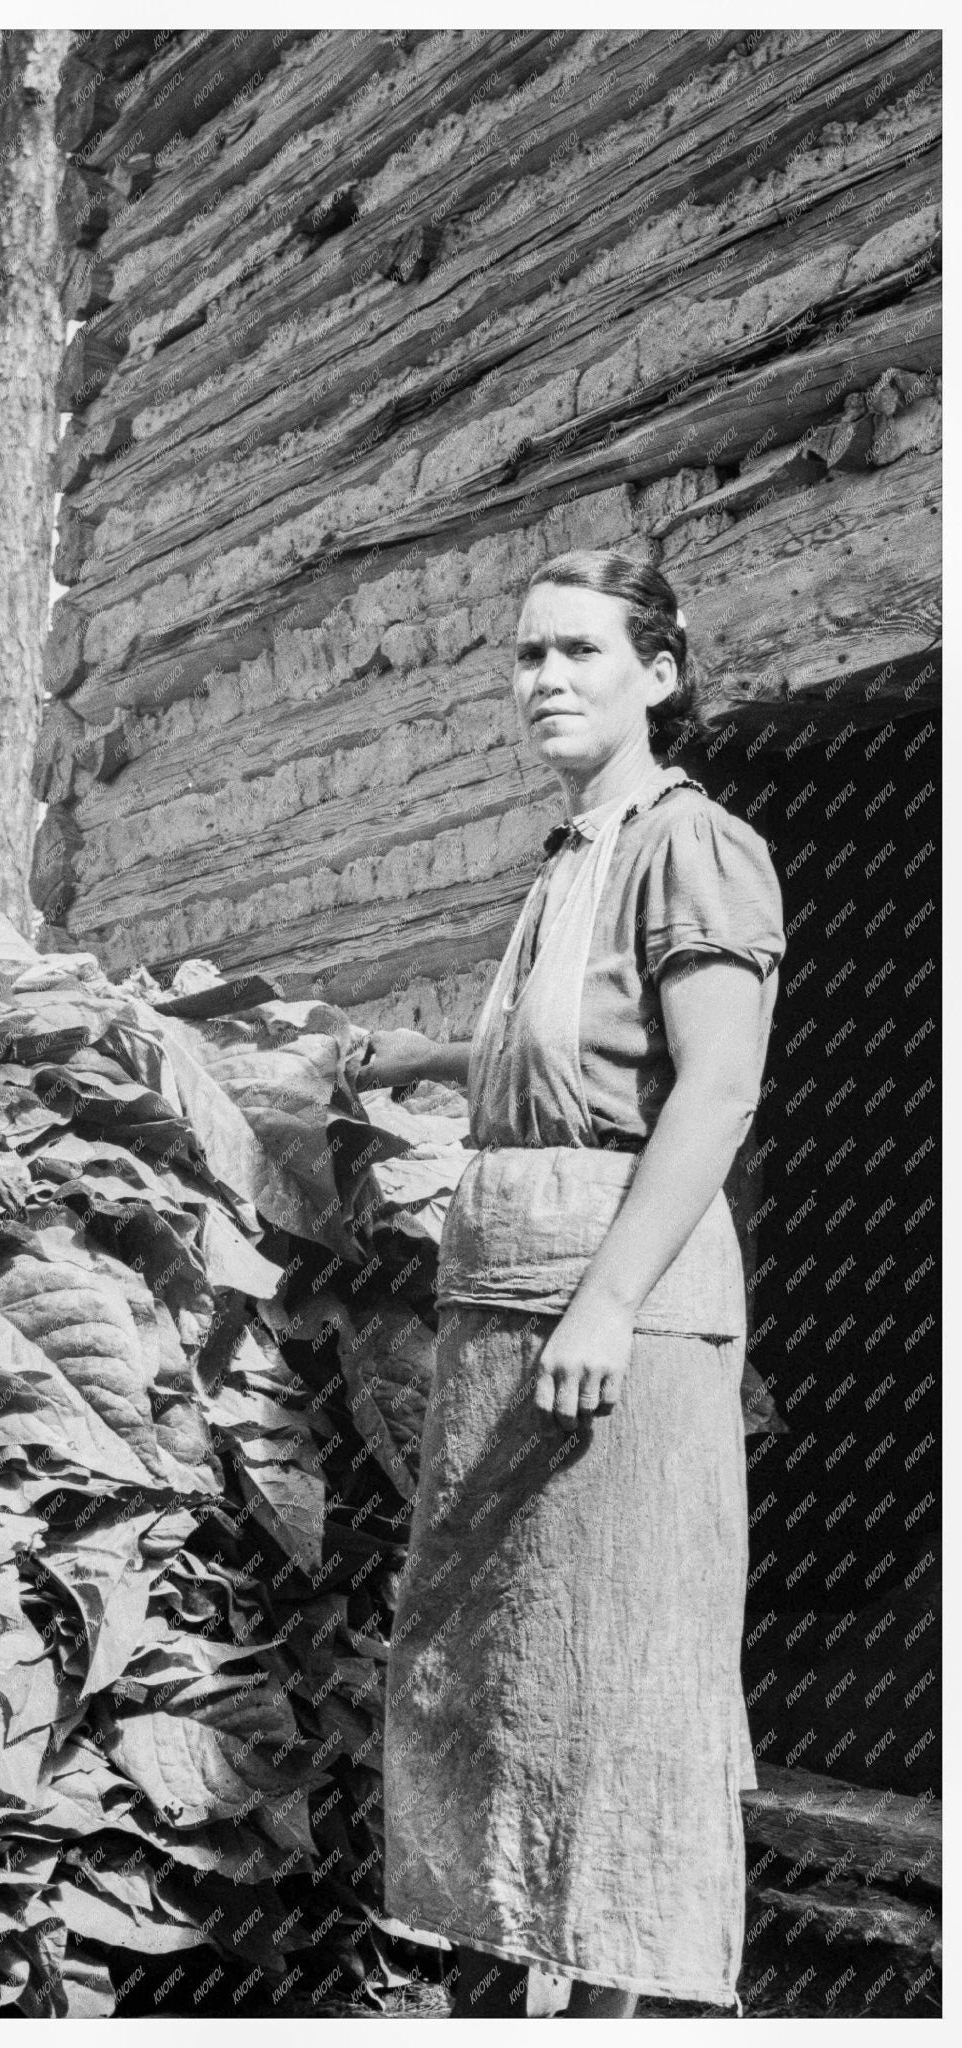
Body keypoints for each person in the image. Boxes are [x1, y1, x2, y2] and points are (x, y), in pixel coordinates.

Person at [358, 550, 786, 2018]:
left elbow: (714, 1088)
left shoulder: (693, 845)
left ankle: (609, 1992)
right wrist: (407, 1061)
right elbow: (564, 1058)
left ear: (656, 676)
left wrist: (604, 1301)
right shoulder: (570, 856)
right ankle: (501, 1980)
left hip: (614, 1304)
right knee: (498, 1675)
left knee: (613, 1674)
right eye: (525, 654)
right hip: (504, 1294)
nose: (541, 679)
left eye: (578, 653)